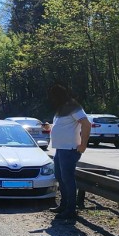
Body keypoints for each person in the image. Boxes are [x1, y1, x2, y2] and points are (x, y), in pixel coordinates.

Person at [48, 84, 91, 220]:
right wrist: (49, 126)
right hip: (61, 149)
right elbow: (63, 127)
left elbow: (86, 124)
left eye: (53, 96)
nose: (52, 99)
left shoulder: (73, 105)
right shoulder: (61, 108)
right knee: (60, 177)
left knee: (67, 179)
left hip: (70, 149)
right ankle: (64, 205)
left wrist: (83, 144)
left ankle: (71, 209)